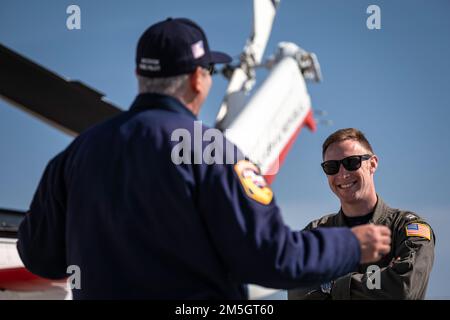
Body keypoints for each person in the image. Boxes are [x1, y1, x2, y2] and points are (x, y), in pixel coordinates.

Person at [17, 18, 391, 299]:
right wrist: (351, 246)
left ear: (138, 75)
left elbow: (40, 257)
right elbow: (271, 257)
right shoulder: (211, 151)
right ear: (198, 79)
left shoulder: (75, 155)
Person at [288, 128, 435, 300]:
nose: (342, 174)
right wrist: (380, 281)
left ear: (372, 164)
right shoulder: (314, 235)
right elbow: (298, 292)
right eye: (332, 167)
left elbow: (402, 289)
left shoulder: (406, 229)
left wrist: (329, 287)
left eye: (351, 162)